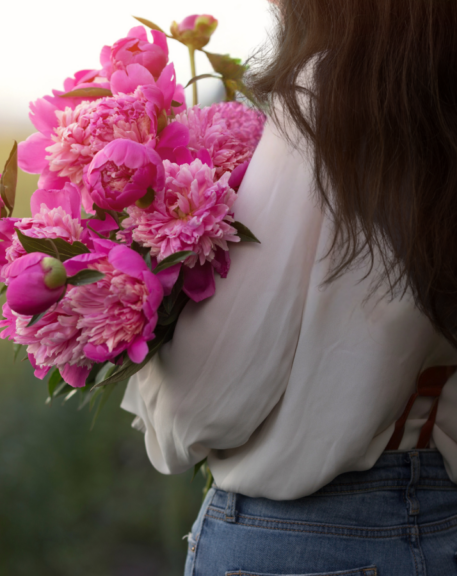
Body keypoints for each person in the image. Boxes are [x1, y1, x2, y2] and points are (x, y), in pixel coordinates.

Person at [121, 1, 457, 574]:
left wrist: (156, 402)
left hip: (312, 537)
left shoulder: (334, 90)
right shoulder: (437, 99)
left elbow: (212, 397)